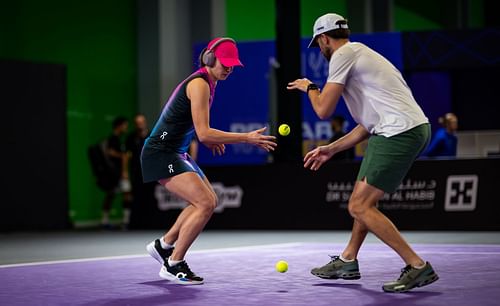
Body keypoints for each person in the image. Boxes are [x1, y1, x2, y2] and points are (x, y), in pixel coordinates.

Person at [287, 13, 438, 293]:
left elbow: (322, 110)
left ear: (323, 39)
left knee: (358, 205)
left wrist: (309, 87)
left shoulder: (343, 55)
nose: (320, 50)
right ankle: (348, 260)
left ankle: (417, 266)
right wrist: (331, 148)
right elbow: (366, 125)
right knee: (363, 200)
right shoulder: (361, 54)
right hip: (405, 128)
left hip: (397, 132)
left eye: (319, 44)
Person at [142, 37, 277, 285]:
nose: (228, 68)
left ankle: (164, 245)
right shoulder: (200, 84)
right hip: (161, 152)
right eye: (224, 63)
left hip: (175, 151)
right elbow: (204, 132)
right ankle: (173, 263)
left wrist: (210, 138)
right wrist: (246, 137)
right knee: (204, 203)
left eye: (232, 64)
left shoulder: (209, 83)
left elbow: (196, 129)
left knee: (209, 200)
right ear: (209, 59)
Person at [101, 116, 132, 229]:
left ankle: (126, 220)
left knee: (126, 194)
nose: (126, 127)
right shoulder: (113, 138)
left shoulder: (120, 138)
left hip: (119, 173)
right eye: (124, 125)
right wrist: (123, 157)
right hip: (116, 173)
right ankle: (105, 221)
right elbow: (110, 152)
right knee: (112, 195)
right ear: (119, 126)